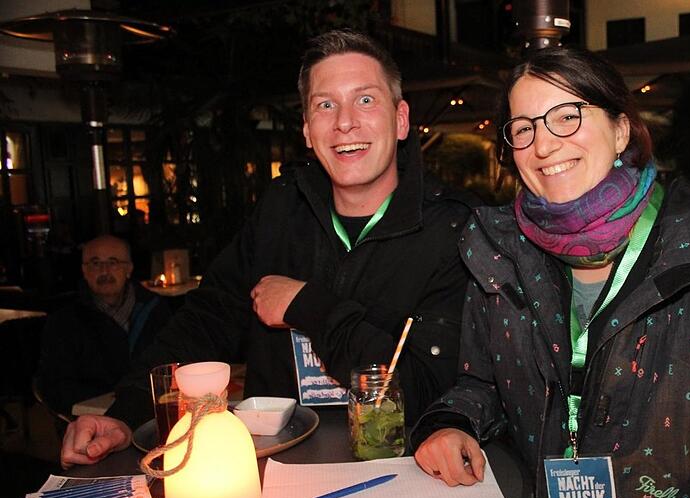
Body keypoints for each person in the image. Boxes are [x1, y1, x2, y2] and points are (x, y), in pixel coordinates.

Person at [413, 47, 690, 498]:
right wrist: (451, 423)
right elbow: (482, 383)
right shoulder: (498, 253)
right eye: (525, 128)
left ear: (622, 129)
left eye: (567, 116)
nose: (544, 145)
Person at [60, 30, 476, 468]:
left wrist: (306, 305)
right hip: (278, 474)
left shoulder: (453, 227)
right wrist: (126, 414)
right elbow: (206, 320)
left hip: (400, 476)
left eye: (366, 100)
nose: (345, 122)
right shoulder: (281, 209)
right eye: (325, 105)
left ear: (402, 119)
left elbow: (426, 387)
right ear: (307, 131)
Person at [38, 235, 172, 419]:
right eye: (95, 263)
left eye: (113, 262)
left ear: (129, 269)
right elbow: (54, 386)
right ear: (84, 271)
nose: (104, 271)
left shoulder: (156, 310)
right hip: (93, 421)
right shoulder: (64, 321)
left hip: (151, 415)